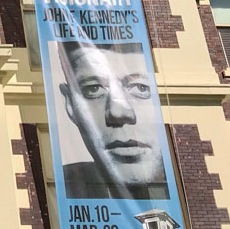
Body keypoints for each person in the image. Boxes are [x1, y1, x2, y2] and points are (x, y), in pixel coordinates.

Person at [57, 41, 169, 200]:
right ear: (69, 103)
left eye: (141, 88)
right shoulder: (63, 183)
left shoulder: (185, 179)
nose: (118, 112)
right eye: (94, 89)